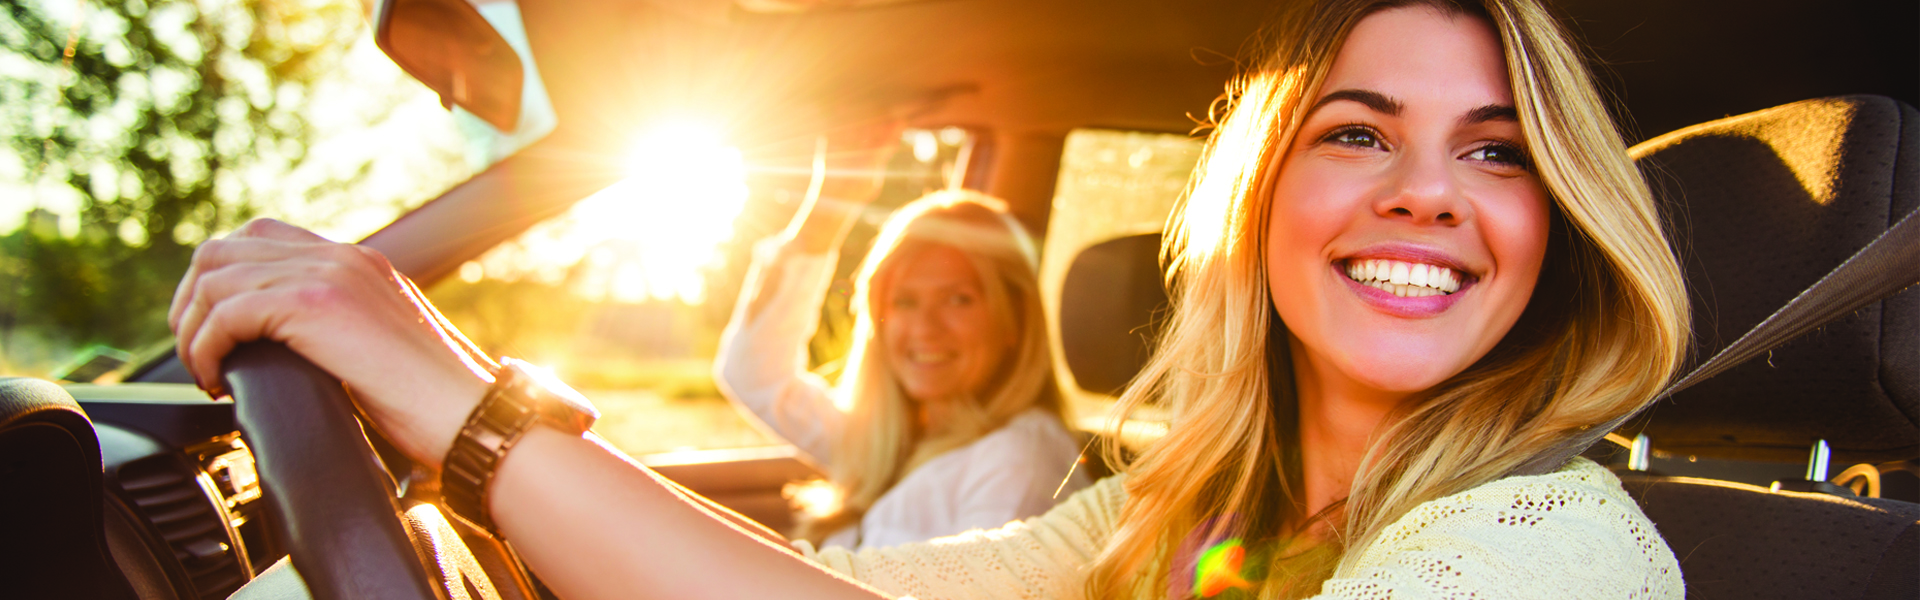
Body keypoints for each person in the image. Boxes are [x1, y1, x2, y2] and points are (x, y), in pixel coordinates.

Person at [168, 0, 1690, 597]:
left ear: (1553, 231)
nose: (1424, 189)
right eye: (1357, 132)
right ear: (1262, 206)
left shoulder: (1550, 553)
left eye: (1496, 154)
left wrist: (477, 415)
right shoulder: (1171, 515)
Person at [712, 133, 1089, 549]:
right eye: (905, 302)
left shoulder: (1019, 461)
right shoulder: (887, 438)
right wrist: (835, 199)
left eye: (958, 299)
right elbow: (753, 375)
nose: (925, 327)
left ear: (1014, 319)